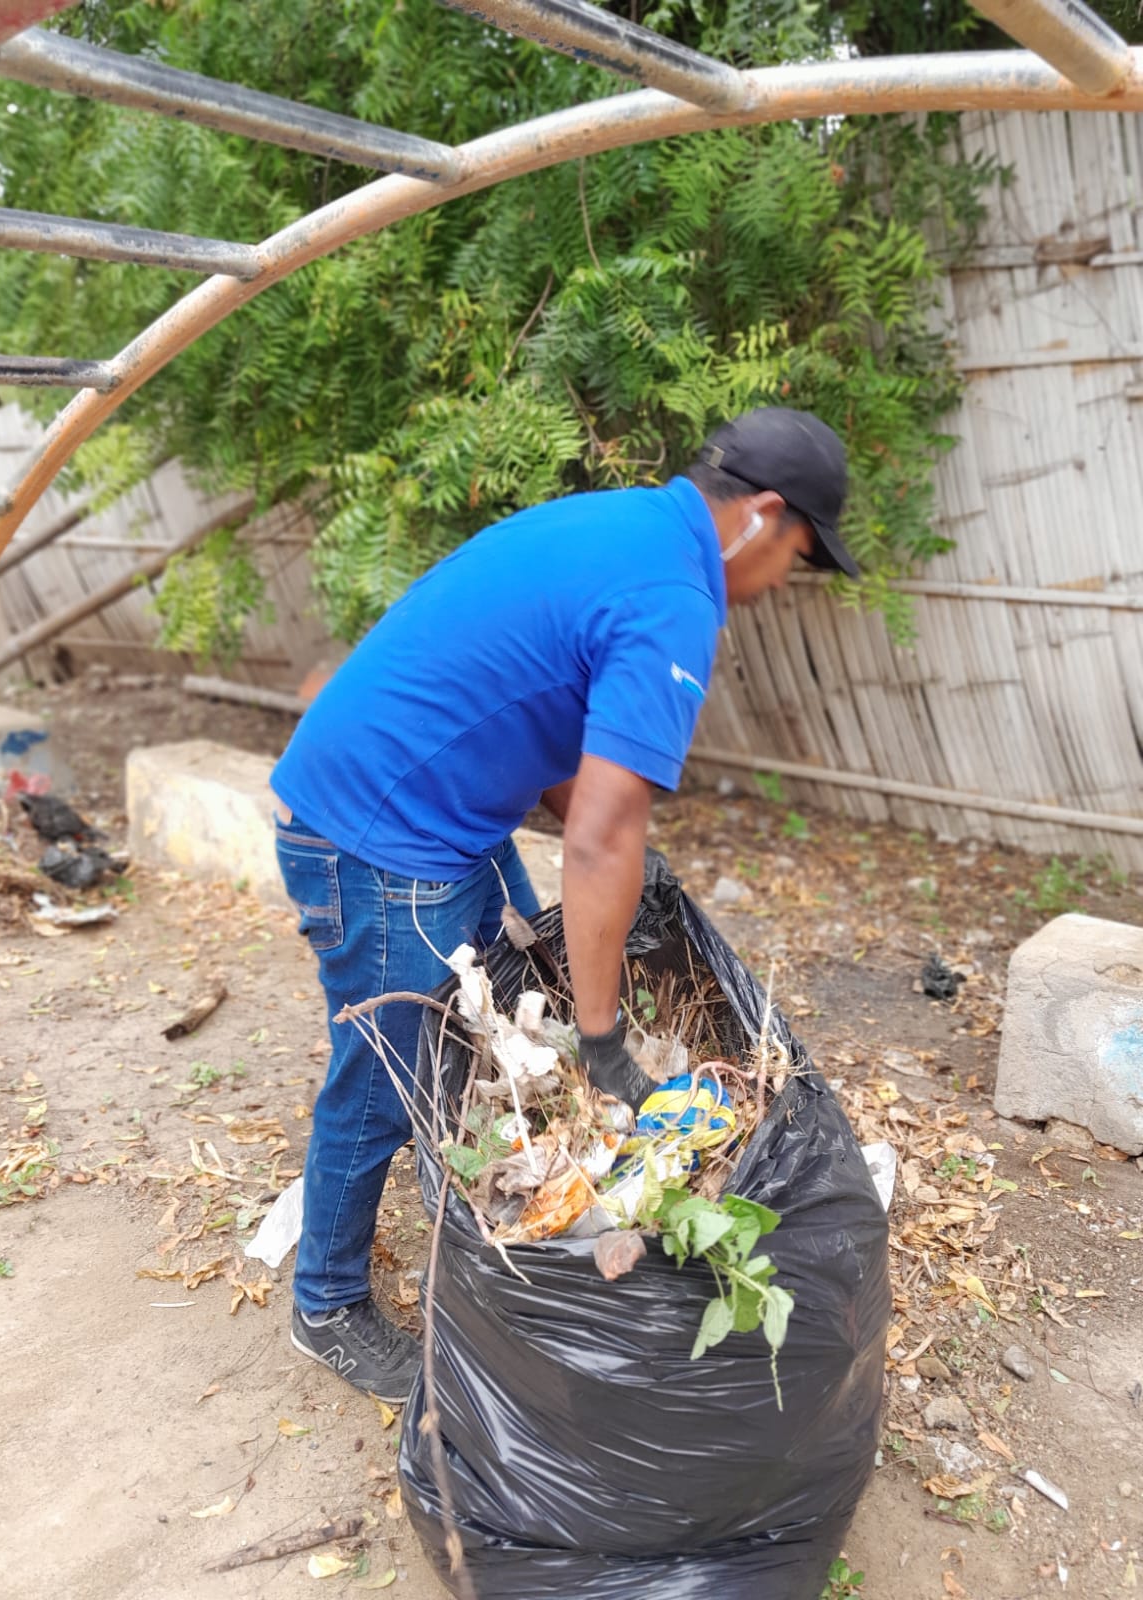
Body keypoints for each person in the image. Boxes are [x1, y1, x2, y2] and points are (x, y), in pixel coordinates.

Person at [270, 406, 857, 1401]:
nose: (779, 584)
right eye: (796, 557)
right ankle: (326, 1305)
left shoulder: (630, 528)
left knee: (512, 1015)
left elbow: (547, 737)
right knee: (387, 1076)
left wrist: (616, 878)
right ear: (762, 515)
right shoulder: (673, 596)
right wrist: (605, 1034)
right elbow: (597, 837)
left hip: (435, 810)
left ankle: (522, 1206)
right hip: (377, 832)